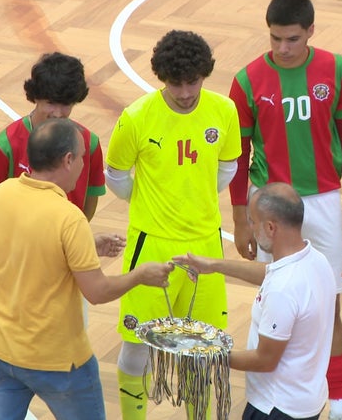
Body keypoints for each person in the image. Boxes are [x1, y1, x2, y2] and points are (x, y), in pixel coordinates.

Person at [227, 0, 342, 420]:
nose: (282, 48)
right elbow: (239, 154)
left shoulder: (336, 69)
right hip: (271, 202)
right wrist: (240, 220)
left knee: (329, 299)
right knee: (273, 294)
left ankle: (339, 401)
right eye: (274, 39)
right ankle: (271, 389)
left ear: (310, 33)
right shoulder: (247, 80)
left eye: (291, 39)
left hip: (323, 199)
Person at [0, 117, 172, 420]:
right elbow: (97, 292)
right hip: (57, 360)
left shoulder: (2, 194)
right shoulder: (68, 217)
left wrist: (86, 246)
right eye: (82, 156)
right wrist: (140, 275)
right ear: (68, 160)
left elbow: (25, 248)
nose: (84, 164)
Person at [104, 29, 241, 419]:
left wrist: (192, 196)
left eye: (192, 82)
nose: (184, 92)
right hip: (152, 244)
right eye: (175, 83)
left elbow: (228, 166)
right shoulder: (136, 118)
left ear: (205, 74)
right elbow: (115, 175)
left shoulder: (224, 111)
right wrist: (150, 201)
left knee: (203, 347)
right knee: (137, 344)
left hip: (205, 246)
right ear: (162, 78)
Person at [174, 182, 336, 420]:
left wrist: (206, 355)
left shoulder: (283, 290)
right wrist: (214, 265)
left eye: (252, 220)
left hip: (276, 408)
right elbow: (271, 273)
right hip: (307, 399)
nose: (250, 226)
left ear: (271, 227)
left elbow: (265, 360)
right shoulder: (315, 260)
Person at [0, 51, 105, 227]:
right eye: (51, 103)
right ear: (35, 97)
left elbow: (89, 202)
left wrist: (70, 238)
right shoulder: (6, 145)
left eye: (66, 104)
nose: (58, 114)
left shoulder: (89, 144)